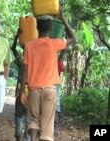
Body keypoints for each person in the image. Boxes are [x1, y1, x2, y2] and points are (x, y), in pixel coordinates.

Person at [19, 10, 76, 141]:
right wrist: (63, 18)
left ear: (37, 28)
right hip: (50, 90)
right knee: (47, 123)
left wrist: (22, 92)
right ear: (50, 29)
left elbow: (24, 70)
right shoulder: (54, 43)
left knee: (34, 119)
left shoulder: (29, 45)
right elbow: (74, 38)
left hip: (34, 90)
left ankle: (33, 139)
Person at [11, 29, 31, 141]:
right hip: (22, 92)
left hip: (29, 91)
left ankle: (24, 136)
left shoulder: (33, 62)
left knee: (26, 116)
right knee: (20, 114)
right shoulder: (21, 61)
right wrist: (17, 36)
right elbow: (13, 48)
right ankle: (19, 135)